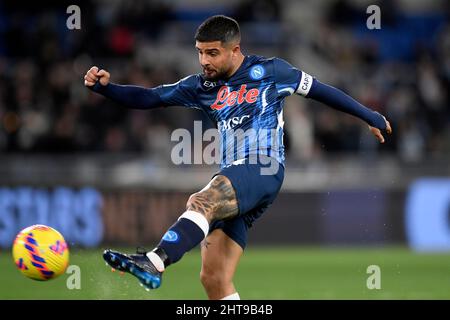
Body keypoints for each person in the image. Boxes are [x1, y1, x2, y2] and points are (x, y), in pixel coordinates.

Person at [84, 15, 392, 300]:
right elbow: (150, 97)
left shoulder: (272, 71)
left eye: (212, 53)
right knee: (214, 279)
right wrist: (107, 89)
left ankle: (155, 260)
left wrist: (368, 115)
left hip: (263, 167)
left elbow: (322, 91)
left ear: (235, 50)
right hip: (236, 176)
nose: (204, 61)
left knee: (201, 201)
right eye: (200, 52)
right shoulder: (199, 87)